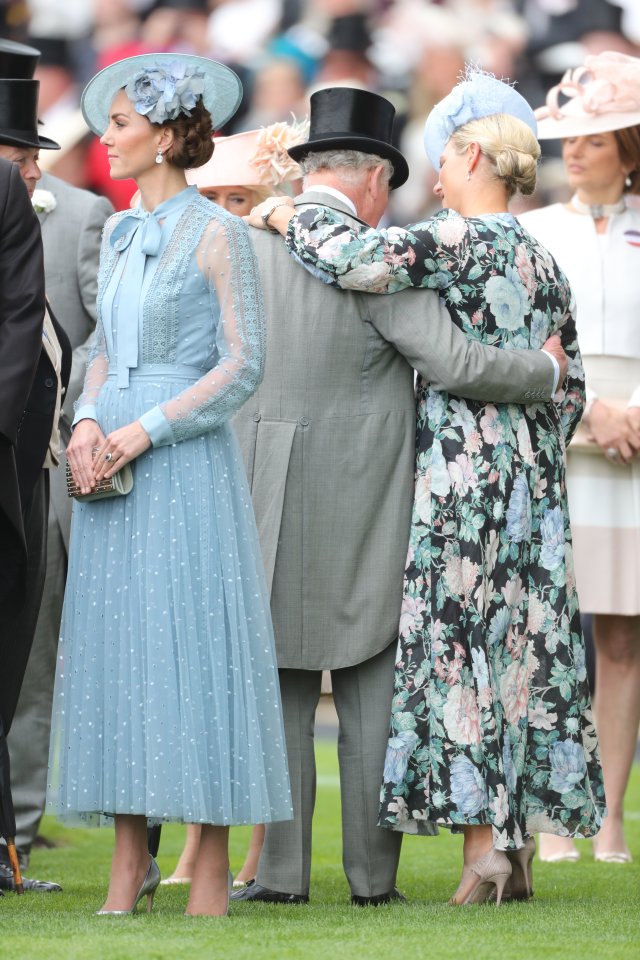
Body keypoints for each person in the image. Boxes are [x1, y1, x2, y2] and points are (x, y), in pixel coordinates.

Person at [250, 70, 605, 905]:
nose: (433, 176)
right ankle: (513, 846)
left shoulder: (446, 242)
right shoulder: (543, 259)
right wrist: (540, 396)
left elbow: (346, 253)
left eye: (444, 158)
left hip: (458, 481)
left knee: (463, 659)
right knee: (528, 653)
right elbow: (572, 383)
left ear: (474, 155)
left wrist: (282, 210)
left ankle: (481, 849)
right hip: (534, 490)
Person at [46, 53, 292, 918]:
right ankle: (126, 868)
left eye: (117, 124)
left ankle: (212, 872)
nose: (105, 139)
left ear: (163, 132)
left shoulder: (219, 233)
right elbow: (102, 347)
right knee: (117, 656)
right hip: (106, 453)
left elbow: (244, 364)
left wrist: (144, 429)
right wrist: (84, 421)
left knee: (194, 652)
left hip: (181, 461)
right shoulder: (115, 232)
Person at [162, 119, 308, 890]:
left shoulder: (296, 263)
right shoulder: (194, 255)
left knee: (269, 661)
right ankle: (198, 839)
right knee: (203, 656)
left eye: (240, 196)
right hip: (204, 460)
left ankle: (253, 845)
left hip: (280, 463)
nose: (225, 210)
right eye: (211, 195)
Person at [520, 50, 640, 865]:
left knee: (622, 637)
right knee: (547, 631)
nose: (577, 148)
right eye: (571, 136)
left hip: (632, 448)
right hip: (561, 434)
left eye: (595, 137)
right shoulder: (535, 229)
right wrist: (587, 407)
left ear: (627, 146)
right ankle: (556, 812)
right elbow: (526, 334)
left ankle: (609, 816)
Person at [0, 37, 114, 893]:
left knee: (31, 656)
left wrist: (86, 422)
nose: (27, 171)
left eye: (33, 156)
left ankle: (21, 834)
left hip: (52, 458)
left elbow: (103, 328)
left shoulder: (80, 214)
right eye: (14, 156)